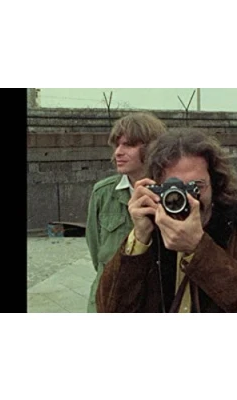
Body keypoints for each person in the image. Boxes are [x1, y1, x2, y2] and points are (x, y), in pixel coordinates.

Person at [95, 130, 237, 313]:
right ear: (156, 187)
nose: (186, 198)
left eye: (196, 186)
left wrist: (199, 248)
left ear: (215, 183)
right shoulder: (151, 227)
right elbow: (109, 309)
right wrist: (138, 239)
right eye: (174, 188)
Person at [86, 112, 167, 312]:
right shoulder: (103, 193)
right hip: (111, 299)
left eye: (128, 145)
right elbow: (97, 253)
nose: (118, 152)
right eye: (117, 145)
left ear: (151, 148)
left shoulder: (170, 194)